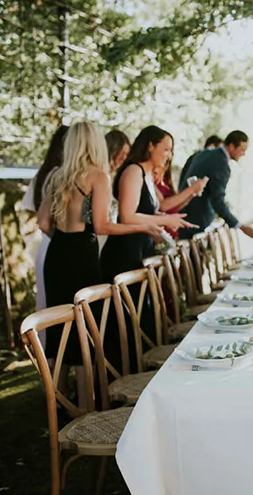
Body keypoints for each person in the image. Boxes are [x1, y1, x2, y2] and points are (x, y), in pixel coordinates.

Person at [37, 121, 161, 407]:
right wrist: (142, 228)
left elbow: (43, 222)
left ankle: (57, 404)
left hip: (58, 253)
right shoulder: (98, 176)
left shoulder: (57, 175)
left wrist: (63, 240)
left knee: (60, 329)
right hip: (82, 254)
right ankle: (88, 406)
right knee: (86, 331)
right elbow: (103, 225)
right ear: (95, 144)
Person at [100, 126, 195, 372]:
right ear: (150, 146)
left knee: (143, 320)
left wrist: (160, 224)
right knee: (127, 322)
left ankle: (140, 373)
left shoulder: (146, 174)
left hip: (139, 252)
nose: (168, 154)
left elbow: (148, 214)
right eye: (166, 148)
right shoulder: (132, 171)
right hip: (123, 255)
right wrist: (165, 221)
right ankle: (126, 377)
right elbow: (127, 216)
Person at [21, 125, 68, 322]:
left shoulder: (43, 173)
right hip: (56, 241)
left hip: (45, 244)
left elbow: (32, 206)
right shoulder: (59, 175)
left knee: (46, 305)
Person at [178, 130, 253, 239]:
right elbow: (217, 201)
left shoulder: (202, 153)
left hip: (182, 214)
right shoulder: (222, 165)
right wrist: (240, 226)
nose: (243, 154)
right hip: (197, 223)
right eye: (242, 150)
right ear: (231, 146)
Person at [154, 158, 208, 239]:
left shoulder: (165, 180)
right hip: (159, 234)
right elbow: (163, 206)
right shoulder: (150, 180)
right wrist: (191, 189)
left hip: (171, 234)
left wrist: (192, 194)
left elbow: (175, 207)